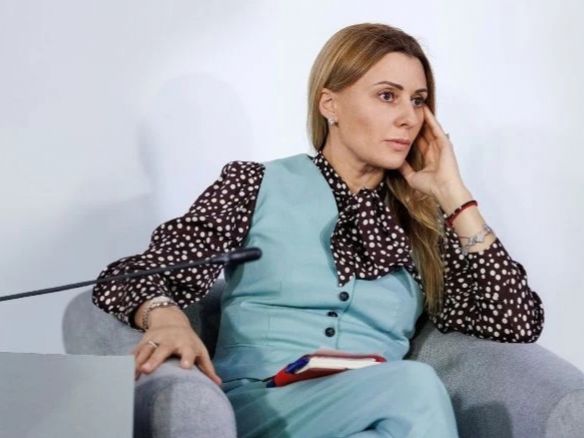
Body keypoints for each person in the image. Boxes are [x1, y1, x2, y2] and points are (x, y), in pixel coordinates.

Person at [93, 22, 545, 437]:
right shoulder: (255, 185)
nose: (409, 117)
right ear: (330, 104)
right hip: (264, 407)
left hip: (375, 412)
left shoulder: (422, 224)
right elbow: (131, 275)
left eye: (418, 100)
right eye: (387, 96)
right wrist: (167, 318)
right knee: (415, 385)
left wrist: (453, 195)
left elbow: (516, 323)